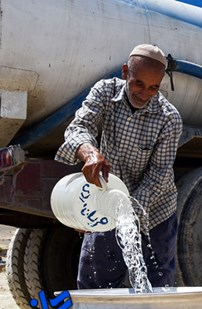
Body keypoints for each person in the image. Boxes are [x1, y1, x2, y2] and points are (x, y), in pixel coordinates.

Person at [55, 44, 183, 289]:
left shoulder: (169, 118)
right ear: (125, 72)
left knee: (157, 286)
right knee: (95, 284)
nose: (145, 93)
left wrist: (127, 211)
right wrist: (89, 152)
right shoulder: (104, 93)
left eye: (154, 88)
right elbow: (77, 128)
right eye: (138, 83)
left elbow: (159, 175)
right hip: (107, 204)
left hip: (155, 212)